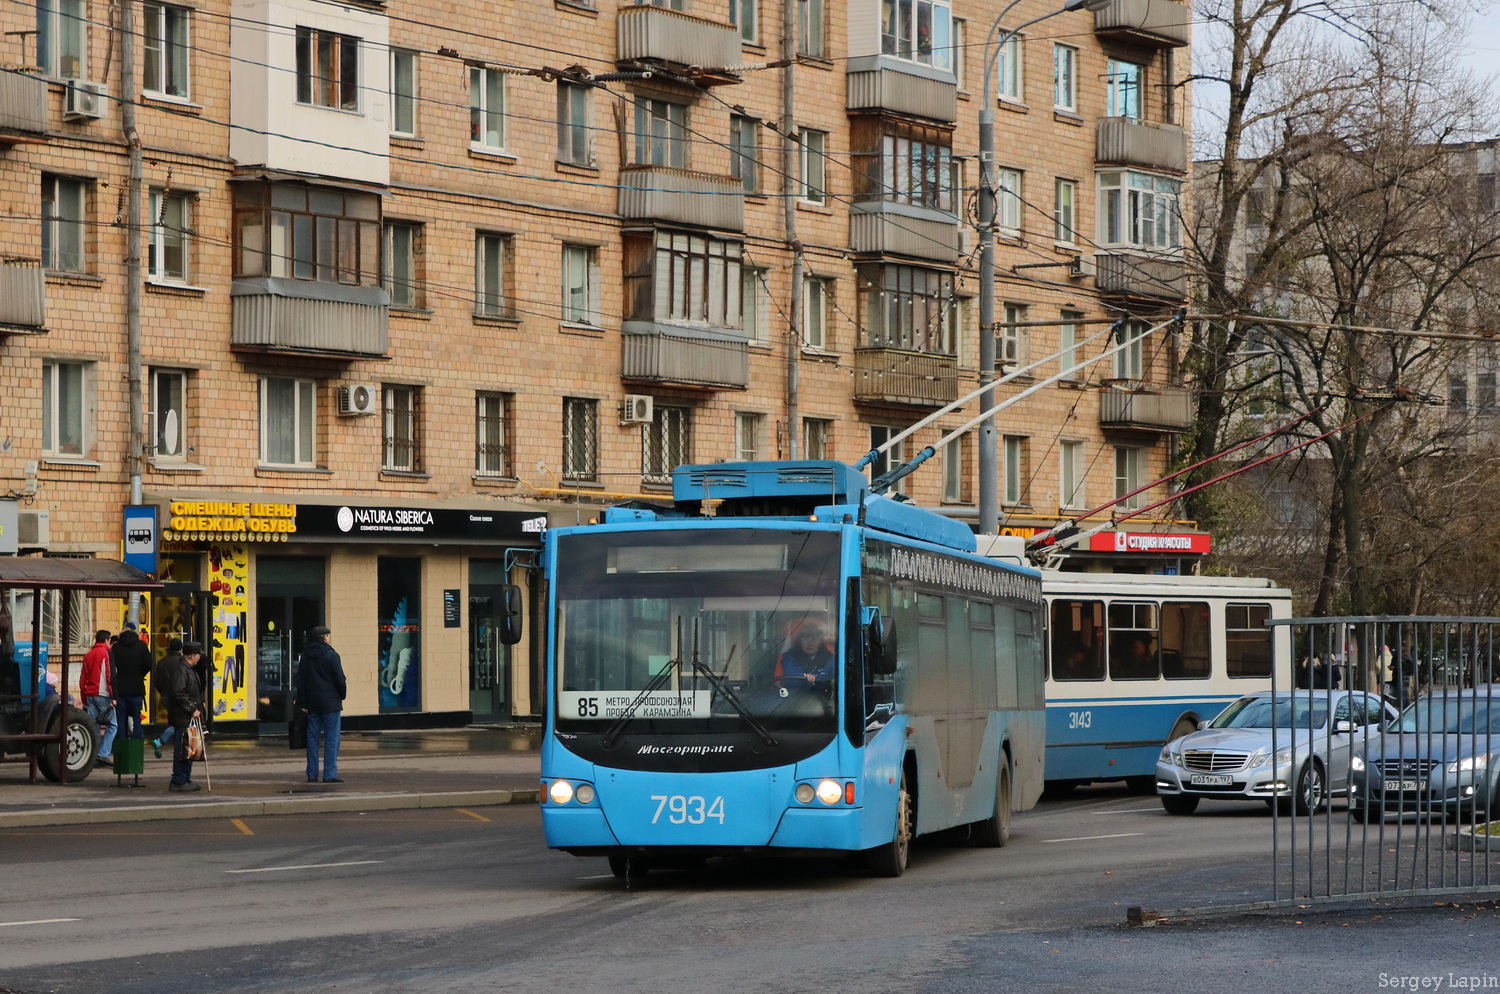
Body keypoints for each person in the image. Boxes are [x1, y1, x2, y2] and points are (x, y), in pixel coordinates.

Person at [296, 626, 347, 784]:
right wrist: (342, 695)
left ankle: (312, 774)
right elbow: (340, 679)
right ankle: (329, 774)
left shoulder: (305, 656)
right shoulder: (332, 655)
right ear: (324, 638)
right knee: (332, 739)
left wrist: (303, 703)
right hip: (331, 703)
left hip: (312, 703)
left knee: (312, 739)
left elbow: (301, 681)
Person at [158, 641, 205, 792]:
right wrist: (192, 709)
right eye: (198, 655)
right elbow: (178, 692)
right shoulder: (182, 670)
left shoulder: (187, 669)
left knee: (188, 748)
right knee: (183, 749)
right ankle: (179, 779)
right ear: (192, 655)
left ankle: (185, 778)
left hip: (187, 716)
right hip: (182, 716)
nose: (199, 657)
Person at [112, 625, 154, 744]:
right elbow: (148, 664)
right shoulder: (141, 646)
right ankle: (136, 742)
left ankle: (122, 742)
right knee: (136, 716)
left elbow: (112, 667)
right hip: (136, 687)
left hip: (121, 687)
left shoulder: (116, 647)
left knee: (121, 717)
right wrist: (140, 674)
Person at [79, 629, 115, 766]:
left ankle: (92, 754)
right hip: (103, 694)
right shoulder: (106, 653)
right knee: (113, 724)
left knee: (93, 725)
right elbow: (110, 676)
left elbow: (83, 679)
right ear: (107, 640)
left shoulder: (88, 655)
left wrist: (84, 697)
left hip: (90, 694)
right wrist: (113, 697)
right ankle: (103, 753)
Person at [774, 621, 836, 690]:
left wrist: (814, 678)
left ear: (821, 642)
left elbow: (832, 679)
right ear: (799, 641)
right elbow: (790, 678)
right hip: (795, 697)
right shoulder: (790, 657)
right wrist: (805, 678)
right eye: (805, 639)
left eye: (815, 639)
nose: (810, 643)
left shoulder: (831, 658)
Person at [149, 639, 184, 759]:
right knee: (179, 723)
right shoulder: (181, 662)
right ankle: (161, 740)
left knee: (174, 722)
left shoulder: (162, 662)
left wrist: (163, 692)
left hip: (167, 696)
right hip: (179, 698)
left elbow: (156, 681)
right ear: (180, 649)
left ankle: (166, 741)